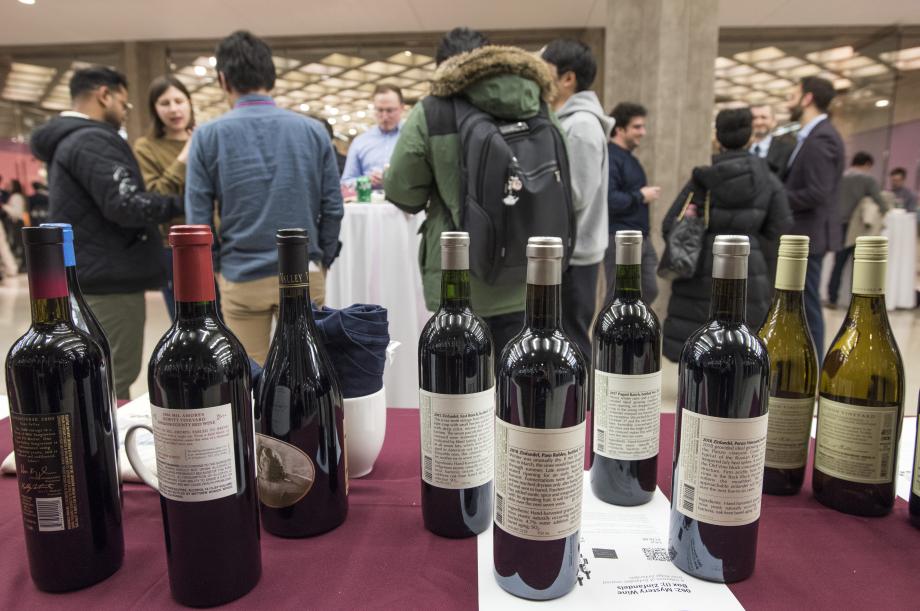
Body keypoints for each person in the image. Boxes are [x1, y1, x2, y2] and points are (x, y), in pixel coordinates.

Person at [386, 27, 560, 352]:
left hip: (458, 273)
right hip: (526, 271)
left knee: (459, 385)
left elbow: (402, 190)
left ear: (442, 67)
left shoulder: (432, 111)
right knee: (519, 376)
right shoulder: (536, 103)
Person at [185, 30, 343, 365]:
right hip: (304, 271)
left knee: (249, 379)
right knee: (308, 375)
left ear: (223, 79)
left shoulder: (207, 136)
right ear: (271, 76)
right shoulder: (313, 131)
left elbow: (197, 219)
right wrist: (322, 258)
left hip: (242, 275)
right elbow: (333, 205)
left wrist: (215, 268)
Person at [30, 66, 184, 399]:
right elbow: (125, 205)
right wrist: (178, 204)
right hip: (110, 280)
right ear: (105, 94)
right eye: (124, 104)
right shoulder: (93, 139)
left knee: (99, 376)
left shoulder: (67, 140)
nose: (124, 113)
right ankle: (103, 449)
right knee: (112, 380)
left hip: (89, 272)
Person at [661, 108, 792, 362]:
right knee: (744, 348)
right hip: (749, 270)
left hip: (702, 270)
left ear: (717, 138)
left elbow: (670, 224)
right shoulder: (769, 180)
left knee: (698, 347)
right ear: (750, 137)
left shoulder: (702, 180)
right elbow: (781, 227)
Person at [542, 39, 614, 362]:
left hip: (576, 254)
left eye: (544, 69)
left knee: (572, 338)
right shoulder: (570, 120)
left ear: (567, 78)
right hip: (571, 250)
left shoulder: (582, 125)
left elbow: (576, 194)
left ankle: (582, 411)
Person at [783, 76, 845, 356]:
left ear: (807, 98)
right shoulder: (810, 135)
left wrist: (778, 199)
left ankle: (815, 370)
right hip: (803, 233)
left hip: (808, 235)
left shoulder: (821, 137)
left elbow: (817, 192)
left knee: (807, 306)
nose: (788, 98)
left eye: (793, 93)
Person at [133, 75, 195, 321]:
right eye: (165, 103)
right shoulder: (146, 147)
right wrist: (184, 157)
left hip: (216, 243)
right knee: (185, 319)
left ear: (189, 103)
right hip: (172, 246)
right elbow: (155, 194)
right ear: (154, 110)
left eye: (179, 101)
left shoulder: (206, 137)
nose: (174, 109)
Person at [605, 102, 660, 305]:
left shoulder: (630, 159)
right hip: (619, 237)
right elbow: (610, 199)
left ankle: (632, 332)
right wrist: (641, 196)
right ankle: (605, 337)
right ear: (620, 129)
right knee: (616, 297)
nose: (643, 132)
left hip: (641, 237)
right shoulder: (611, 157)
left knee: (648, 290)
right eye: (637, 127)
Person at [826, 152, 888, 308]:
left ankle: (832, 297)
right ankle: (858, 303)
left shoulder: (840, 177)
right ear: (867, 164)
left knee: (838, 263)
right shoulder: (867, 179)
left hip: (838, 224)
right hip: (858, 227)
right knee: (860, 264)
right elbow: (880, 201)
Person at [341, 84, 403, 187]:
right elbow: (346, 182)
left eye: (390, 110)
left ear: (402, 108)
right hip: (369, 201)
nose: (384, 116)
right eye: (379, 110)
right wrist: (366, 181)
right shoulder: (360, 142)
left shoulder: (412, 139)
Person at [749, 104, 795, 176]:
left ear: (774, 122)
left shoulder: (787, 150)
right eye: (754, 118)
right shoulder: (738, 148)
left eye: (764, 117)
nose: (758, 122)